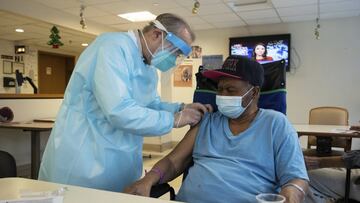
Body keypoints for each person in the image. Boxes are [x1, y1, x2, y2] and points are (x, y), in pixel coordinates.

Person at [38, 13, 212, 192]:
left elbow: (150, 103)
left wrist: (181, 108)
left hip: (120, 157)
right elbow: (119, 111)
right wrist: (173, 120)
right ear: (156, 35)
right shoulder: (112, 47)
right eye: (175, 52)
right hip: (86, 154)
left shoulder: (148, 66)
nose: (174, 59)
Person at [124, 55, 309, 202]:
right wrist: (148, 180)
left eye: (231, 90)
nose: (222, 95)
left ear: (254, 92)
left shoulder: (276, 124)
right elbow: (173, 162)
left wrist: (291, 194)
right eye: (220, 89)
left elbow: (296, 178)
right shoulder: (208, 121)